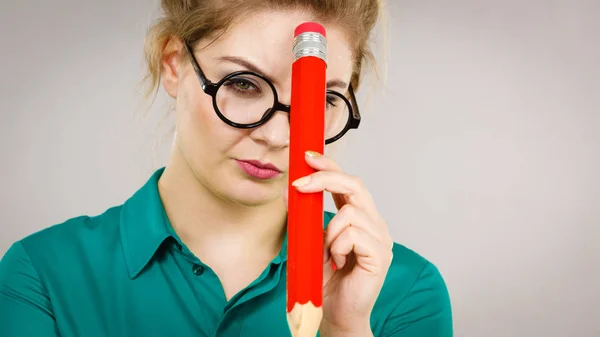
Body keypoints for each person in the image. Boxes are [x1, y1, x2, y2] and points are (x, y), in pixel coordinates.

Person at [0, 1, 452, 336]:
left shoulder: (404, 293)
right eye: (243, 84)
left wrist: (346, 327)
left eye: (322, 101)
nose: (278, 137)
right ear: (173, 63)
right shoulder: (43, 275)